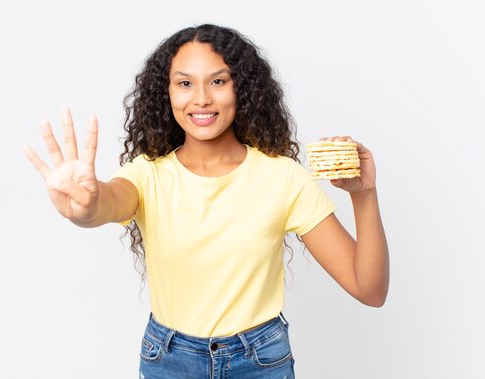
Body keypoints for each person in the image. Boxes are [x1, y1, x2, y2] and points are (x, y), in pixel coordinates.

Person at [23, 24, 389, 379]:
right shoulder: (147, 175)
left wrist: (364, 195)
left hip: (260, 361)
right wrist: (86, 208)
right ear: (166, 93)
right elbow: (109, 201)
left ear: (241, 89)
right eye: (185, 83)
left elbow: (369, 289)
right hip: (170, 361)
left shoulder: (283, 177)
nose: (201, 98)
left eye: (218, 81)